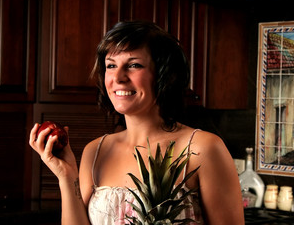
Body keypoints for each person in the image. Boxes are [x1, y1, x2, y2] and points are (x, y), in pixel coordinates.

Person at [30, 20, 245, 225]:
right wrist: (66, 177)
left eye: (134, 65)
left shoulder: (203, 149)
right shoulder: (95, 151)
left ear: (164, 75)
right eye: (111, 65)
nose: (118, 77)